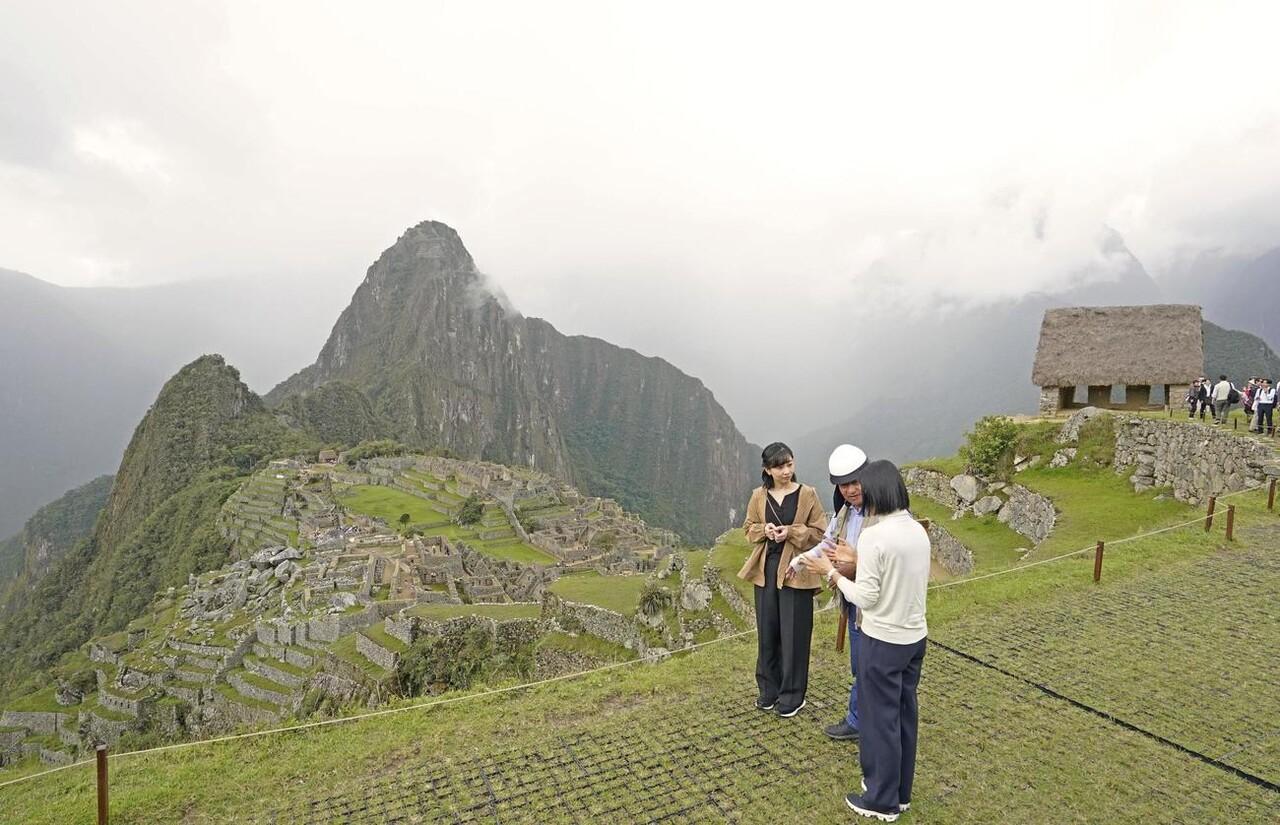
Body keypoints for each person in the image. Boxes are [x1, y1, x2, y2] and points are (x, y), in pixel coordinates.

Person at [801, 460, 929, 822]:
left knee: (878, 720)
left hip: (883, 639)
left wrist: (830, 573)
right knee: (904, 715)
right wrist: (854, 559)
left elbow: (866, 597)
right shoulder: (916, 529)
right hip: (913, 637)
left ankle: (881, 799)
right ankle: (900, 792)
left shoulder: (875, 534)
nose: (857, 497)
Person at [738, 442, 828, 717]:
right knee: (768, 632)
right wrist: (764, 529)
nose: (786, 471)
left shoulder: (807, 494)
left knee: (795, 633)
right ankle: (768, 690)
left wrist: (789, 532)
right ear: (767, 470)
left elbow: (820, 531)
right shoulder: (758, 497)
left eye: (789, 464)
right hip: (766, 570)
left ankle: (792, 694)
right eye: (779, 466)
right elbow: (748, 529)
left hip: (796, 570)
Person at [817, 443, 869, 742]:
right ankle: (862, 718)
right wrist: (801, 562)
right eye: (844, 485)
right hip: (851, 600)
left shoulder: (883, 515)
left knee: (869, 666)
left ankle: (860, 720)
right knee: (860, 663)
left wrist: (851, 563)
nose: (850, 490)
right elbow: (827, 543)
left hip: (874, 603)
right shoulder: (846, 514)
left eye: (855, 482)